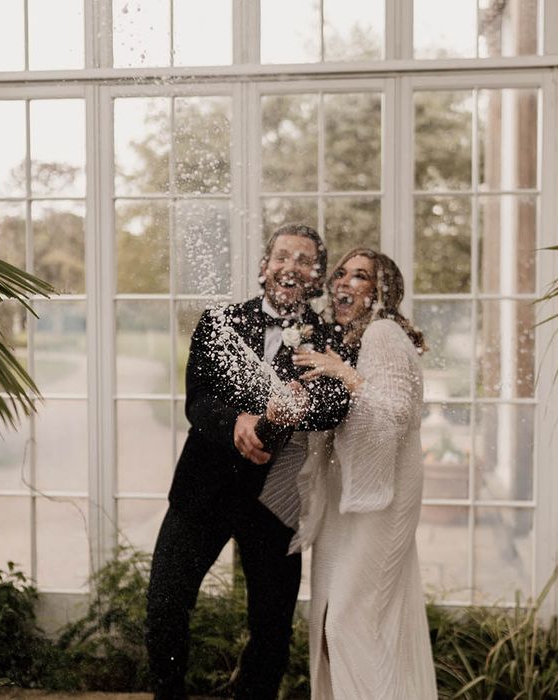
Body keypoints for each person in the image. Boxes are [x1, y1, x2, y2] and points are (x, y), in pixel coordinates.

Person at [145, 223, 351, 700]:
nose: (291, 266)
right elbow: (196, 402)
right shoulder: (220, 322)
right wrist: (236, 421)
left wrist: (300, 407)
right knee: (166, 602)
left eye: (304, 260)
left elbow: (335, 405)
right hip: (204, 489)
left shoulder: (327, 338)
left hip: (275, 499)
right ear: (264, 268)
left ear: (316, 279)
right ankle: (168, 693)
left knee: (272, 622)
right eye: (283, 256)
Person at [291, 247, 439, 699]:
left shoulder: (382, 333)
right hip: (346, 497)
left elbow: (394, 413)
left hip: (381, 500)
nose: (344, 283)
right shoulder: (351, 339)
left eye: (360, 276)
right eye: (340, 274)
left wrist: (344, 374)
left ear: (380, 292)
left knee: (351, 623)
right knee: (332, 622)